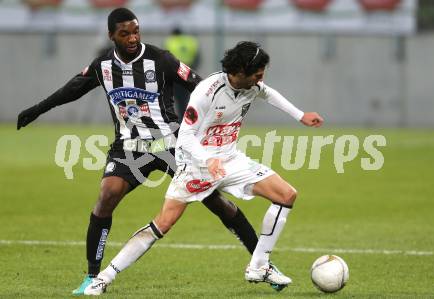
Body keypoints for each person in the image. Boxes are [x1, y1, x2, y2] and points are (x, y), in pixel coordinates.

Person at [16, 9, 263, 295]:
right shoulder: (103, 66)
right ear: (112, 36)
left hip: (170, 143)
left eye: (136, 31)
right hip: (128, 148)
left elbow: (201, 85)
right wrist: (36, 110)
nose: (133, 38)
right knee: (106, 197)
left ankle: (261, 262)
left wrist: (226, 109)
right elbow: (72, 88)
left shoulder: (161, 59)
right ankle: (92, 276)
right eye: (125, 33)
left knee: (215, 201)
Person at [84, 41, 324, 295]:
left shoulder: (251, 85)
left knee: (287, 195)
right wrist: (208, 160)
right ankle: (104, 278)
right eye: (258, 74)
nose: (261, 79)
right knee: (163, 224)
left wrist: (300, 115)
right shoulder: (206, 91)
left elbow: (268, 93)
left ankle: (259, 266)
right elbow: (185, 137)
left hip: (231, 160)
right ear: (240, 71)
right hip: (197, 165)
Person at [164, 27, 200, 122]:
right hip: (188, 74)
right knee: (185, 99)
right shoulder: (190, 41)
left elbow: (165, 58)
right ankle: (187, 120)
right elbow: (197, 57)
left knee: (174, 99)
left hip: (175, 74)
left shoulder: (170, 41)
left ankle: (180, 121)